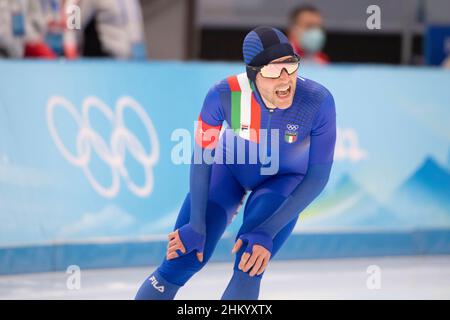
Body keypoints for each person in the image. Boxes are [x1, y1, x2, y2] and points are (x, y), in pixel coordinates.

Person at [135, 26, 336, 300]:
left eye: (291, 66)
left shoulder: (317, 101)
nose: (286, 79)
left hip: (283, 179)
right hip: (230, 169)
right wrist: (195, 224)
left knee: (250, 259)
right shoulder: (224, 94)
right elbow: (202, 158)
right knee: (183, 258)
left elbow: (317, 178)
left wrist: (267, 230)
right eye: (274, 71)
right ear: (253, 74)